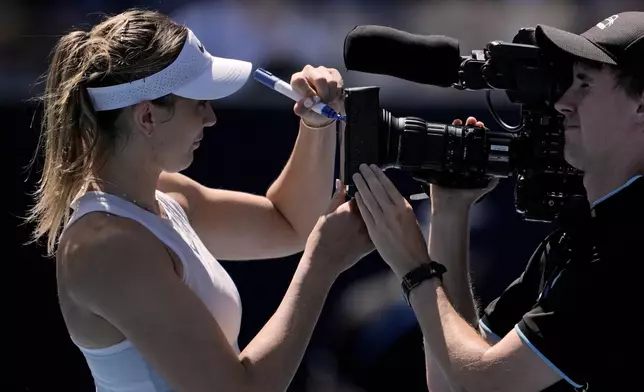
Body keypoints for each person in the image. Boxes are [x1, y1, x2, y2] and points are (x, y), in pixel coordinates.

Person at [25, 9, 374, 392]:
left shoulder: (169, 195)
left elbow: (289, 223)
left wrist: (315, 125)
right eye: (198, 103)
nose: (210, 118)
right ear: (146, 117)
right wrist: (320, 267)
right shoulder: (106, 245)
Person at [351, 11, 644, 392]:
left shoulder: (625, 245)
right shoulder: (588, 235)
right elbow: (450, 379)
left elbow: (483, 385)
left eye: (585, 85)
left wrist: (417, 270)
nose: (562, 103)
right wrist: (450, 213)